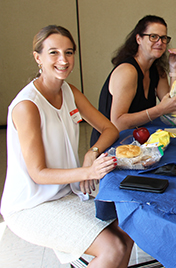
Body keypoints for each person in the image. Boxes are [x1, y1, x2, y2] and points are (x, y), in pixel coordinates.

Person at [1, 25, 134, 267]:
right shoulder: (27, 106)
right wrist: (88, 172)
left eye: (69, 52)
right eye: (54, 52)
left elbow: (110, 129)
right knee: (113, 248)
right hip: (32, 205)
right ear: (37, 57)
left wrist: (91, 154)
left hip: (65, 193)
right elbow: (38, 174)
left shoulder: (69, 91)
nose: (63, 60)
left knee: (128, 229)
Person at [90, 15, 176, 146]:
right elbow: (118, 123)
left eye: (163, 38)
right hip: (110, 144)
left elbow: (173, 107)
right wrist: (159, 110)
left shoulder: (157, 71)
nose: (160, 42)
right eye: (153, 37)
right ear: (138, 39)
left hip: (137, 139)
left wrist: (174, 68)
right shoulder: (127, 71)